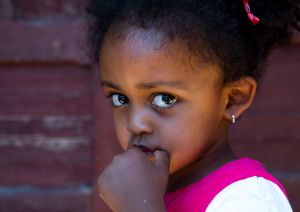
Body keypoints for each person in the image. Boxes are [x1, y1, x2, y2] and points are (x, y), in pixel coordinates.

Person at [85, 0, 299, 211]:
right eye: (119, 99)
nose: (135, 123)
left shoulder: (249, 200)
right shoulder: (151, 191)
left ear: (234, 98)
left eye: (164, 99)